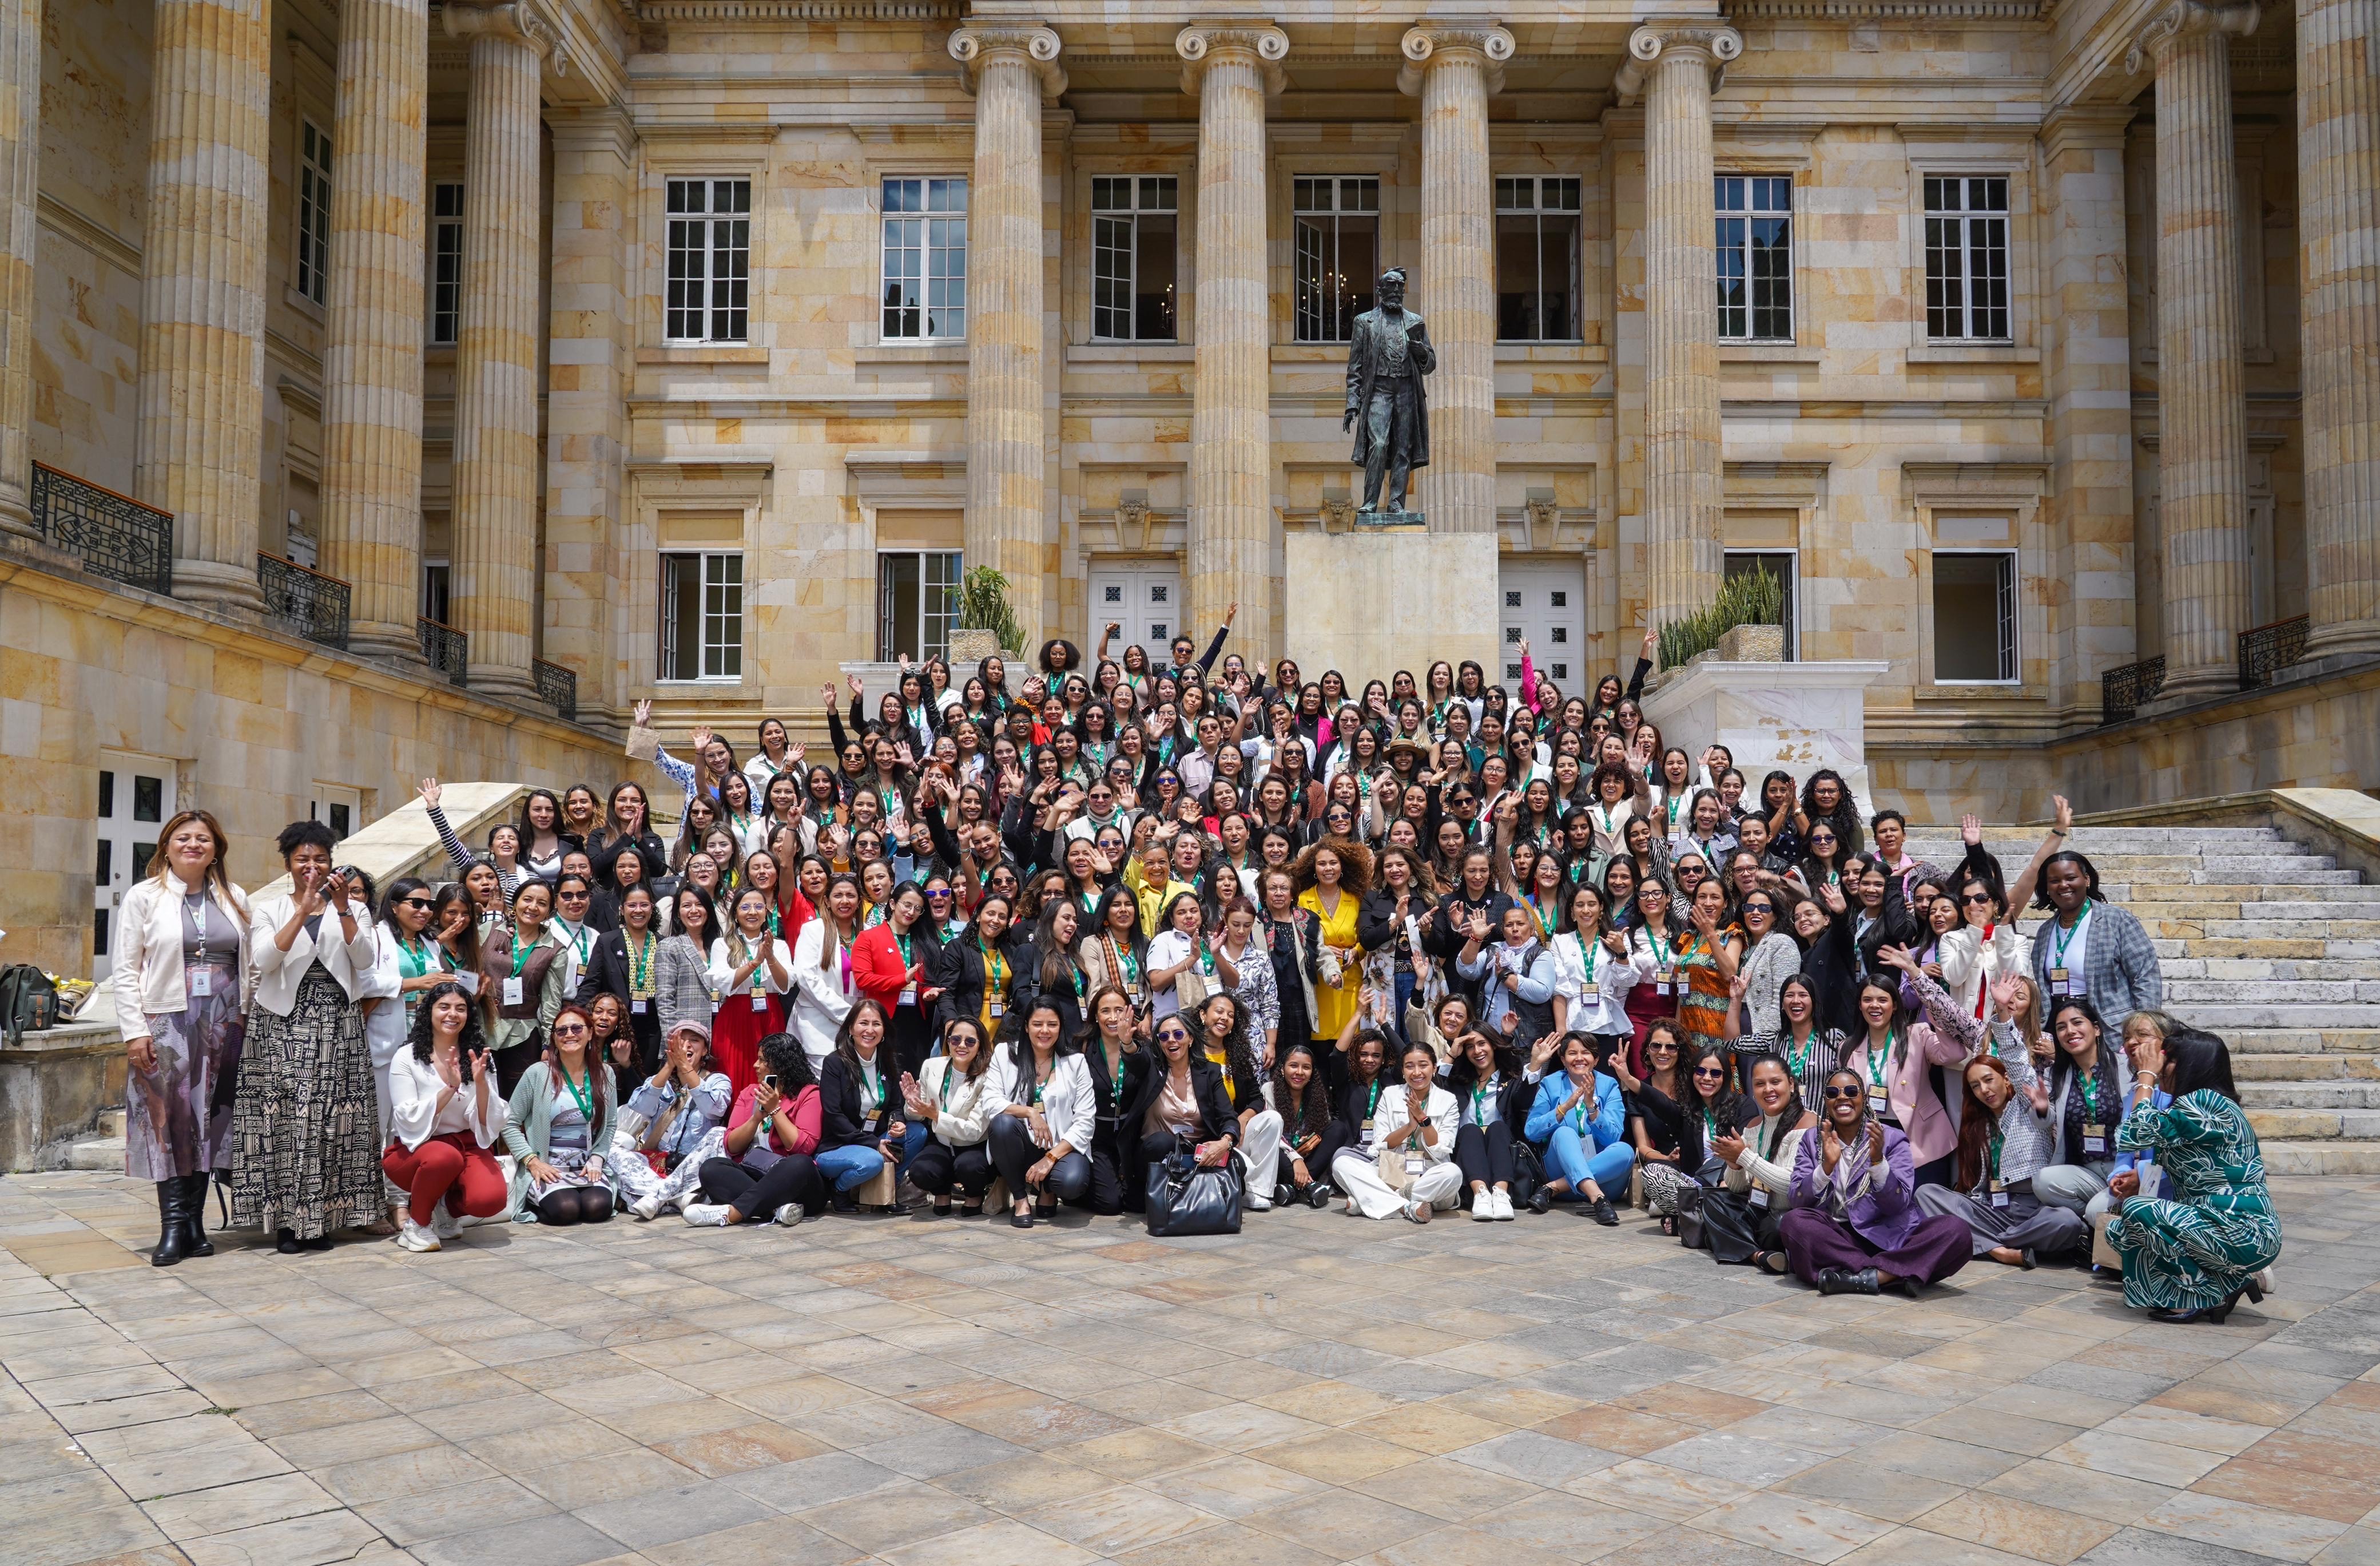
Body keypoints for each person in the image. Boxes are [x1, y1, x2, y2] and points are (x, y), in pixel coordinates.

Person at [232, 823, 384, 1254]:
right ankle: (285, 1222)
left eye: (320, 859)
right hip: (282, 1021)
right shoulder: (270, 909)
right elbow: (264, 959)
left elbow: (366, 959)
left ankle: (321, 1221)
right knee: (284, 1119)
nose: (312, 867)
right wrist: (303, 910)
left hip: (337, 1019)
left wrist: (341, 908)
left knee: (332, 1118)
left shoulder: (353, 908)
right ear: (288, 865)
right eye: (303, 860)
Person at [112, 809, 251, 1267]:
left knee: (210, 1121)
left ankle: (196, 1222)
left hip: (225, 1022)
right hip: (168, 1020)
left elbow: (247, 963)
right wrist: (135, 1031)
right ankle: (173, 1226)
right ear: (167, 846)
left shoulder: (235, 897)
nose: (194, 845)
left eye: (204, 839)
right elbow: (125, 968)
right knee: (168, 1120)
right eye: (184, 838)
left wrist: (246, 1016)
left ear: (217, 849)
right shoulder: (144, 896)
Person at [2105, 1026, 2282, 1323]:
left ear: (2193, 1065)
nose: (2162, 1067)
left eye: (2170, 1060)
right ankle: (2228, 1283)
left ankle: (2202, 1294)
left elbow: (2135, 1133)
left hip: (2242, 1229)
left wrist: (2145, 1076)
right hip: (2217, 1223)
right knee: (2120, 1231)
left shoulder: (2205, 1102)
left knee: (2137, 1211)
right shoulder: (2199, 1102)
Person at [1914, 974, 2088, 1267]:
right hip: (1990, 1206)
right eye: (1975, 1086)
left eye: (1989, 1081)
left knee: (2067, 1222)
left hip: (2031, 1207)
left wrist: (2002, 1012)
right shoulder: (1976, 1121)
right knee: (1926, 1194)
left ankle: (1982, 1243)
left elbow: (2019, 1063)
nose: (1985, 1090)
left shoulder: (2025, 1100)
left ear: (2006, 1079)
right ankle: (2001, 1250)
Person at [1779, 1067, 1973, 1297]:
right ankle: (1897, 1274)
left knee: (1956, 1231)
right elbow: (1797, 1200)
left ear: (1864, 1097)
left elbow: (1898, 1204)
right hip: (1839, 1239)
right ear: (1826, 1101)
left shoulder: (1890, 1138)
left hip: (1891, 1235)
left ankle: (1859, 1278)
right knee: (1794, 1222)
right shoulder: (1813, 1141)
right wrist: (1826, 1167)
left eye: (1851, 1091)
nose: (1842, 1097)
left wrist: (1878, 1162)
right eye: (1833, 1093)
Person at [380, 981, 508, 1251]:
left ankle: (444, 1207)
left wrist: (481, 1083)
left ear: (469, 1016)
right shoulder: (407, 1057)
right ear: (429, 1012)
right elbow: (407, 1118)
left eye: (461, 1009)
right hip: (414, 1151)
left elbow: (487, 1121)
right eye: (444, 1007)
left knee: (491, 1200)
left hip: (467, 1144)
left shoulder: (478, 1057)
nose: (452, 1014)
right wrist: (450, 1088)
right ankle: (417, 1224)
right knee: (443, 1157)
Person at [684, 1030, 825, 1226]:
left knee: (800, 1163)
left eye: (762, 1060)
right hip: (755, 1173)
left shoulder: (809, 1094)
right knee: (711, 1168)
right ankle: (777, 1209)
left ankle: (732, 1214)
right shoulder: (750, 1093)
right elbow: (732, 1146)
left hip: (796, 1183)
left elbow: (803, 1147)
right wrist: (757, 1117)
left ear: (781, 1064)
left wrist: (775, 1109)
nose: (755, 1065)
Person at [502, 1003, 615, 1226]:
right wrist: (532, 1161)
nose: (569, 1035)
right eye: (561, 1031)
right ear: (554, 1038)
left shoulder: (605, 1074)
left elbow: (610, 1124)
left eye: (577, 1029)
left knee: (598, 1209)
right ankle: (532, 1202)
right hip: (547, 1167)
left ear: (590, 1033)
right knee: (566, 1210)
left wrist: (598, 1158)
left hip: (587, 1167)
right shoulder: (537, 1073)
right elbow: (509, 1122)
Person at [988, 999, 1097, 1225]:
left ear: (1061, 1027)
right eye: (1038, 1024)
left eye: (1052, 1025)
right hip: (1023, 1143)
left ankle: (1048, 1189)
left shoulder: (1076, 1062)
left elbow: (1085, 1121)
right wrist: (1030, 1112)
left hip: (1061, 1148)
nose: (1045, 1031)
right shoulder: (1004, 1053)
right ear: (1026, 1026)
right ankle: (1020, 1200)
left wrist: (1050, 1158)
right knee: (1001, 1124)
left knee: (1072, 1182)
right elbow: (990, 1102)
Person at [2030, 850, 2164, 1030]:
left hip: (2112, 1027)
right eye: (2054, 881)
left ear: (2087, 880)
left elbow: (2145, 975)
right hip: (2062, 1028)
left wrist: (2146, 1027)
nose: (2063, 885)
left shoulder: (2116, 920)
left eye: (2071, 878)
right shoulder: (2045, 931)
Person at [616, 1020, 733, 1220]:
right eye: (680, 1041)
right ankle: (675, 1199)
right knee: (612, 1151)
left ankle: (657, 1198)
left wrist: (686, 1069)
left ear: (705, 1050)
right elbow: (639, 1106)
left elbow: (714, 1109)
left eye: (694, 1041)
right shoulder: (661, 1082)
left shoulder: (717, 1081)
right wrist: (669, 1067)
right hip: (657, 1164)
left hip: (693, 1166)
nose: (686, 1046)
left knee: (719, 1135)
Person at [1126, 1011, 1240, 1216]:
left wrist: (1224, 1143)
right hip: (1157, 1153)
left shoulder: (1210, 1072)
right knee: (1162, 1142)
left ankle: (1199, 1199)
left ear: (1190, 1038)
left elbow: (1228, 1117)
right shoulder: (1152, 1068)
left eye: (1178, 1034)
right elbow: (1136, 1059)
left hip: (1196, 1152)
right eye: (1164, 1036)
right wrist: (1127, 1043)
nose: (1171, 1040)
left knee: (1238, 1166)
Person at [1333, 1039, 1461, 1221]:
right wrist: (1410, 1127)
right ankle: (1407, 1207)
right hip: (1393, 1170)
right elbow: (1381, 1143)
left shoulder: (1448, 1100)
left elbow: (1441, 1147)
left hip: (1429, 1174)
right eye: (1410, 1066)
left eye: (1423, 1066)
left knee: (1453, 1174)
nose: (1417, 1073)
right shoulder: (1391, 1095)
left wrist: (1422, 1120)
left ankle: (1372, 1200)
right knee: (1341, 1164)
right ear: (1402, 1071)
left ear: (1434, 1068)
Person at [2029, 995, 2131, 1222]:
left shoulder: (2126, 1068)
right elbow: (2043, 1122)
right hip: (2088, 1170)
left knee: (2098, 1212)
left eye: (2077, 1023)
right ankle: (2096, 1216)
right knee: (2043, 1181)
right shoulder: (2056, 1075)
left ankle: (2098, 1215)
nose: (2070, 1031)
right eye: (2061, 1027)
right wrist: (2042, 1108)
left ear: (2096, 1029)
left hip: (2124, 1167)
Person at [1523, 1032, 1634, 1223]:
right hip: (1562, 1169)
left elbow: (1613, 1138)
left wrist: (1592, 1108)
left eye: (1586, 1053)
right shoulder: (1551, 1083)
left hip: (1606, 1180)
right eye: (1573, 1053)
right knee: (1564, 1133)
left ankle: (1553, 1187)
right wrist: (1563, 1109)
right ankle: (1597, 1199)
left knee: (1625, 1150)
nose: (1580, 1058)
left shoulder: (1609, 1085)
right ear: (1563, 1060)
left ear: (1596, 1059)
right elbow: (1531, 1132)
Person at [814, 998, 906, 1213]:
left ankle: (887, 1192)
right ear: (850, 1029)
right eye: (863, 1023)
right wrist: (874, 1143)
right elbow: (834, 1115)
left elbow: (895, 1106)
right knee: (872, 1161)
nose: (870, 1030)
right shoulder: (834, 1063)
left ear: (884, 1030)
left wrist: (898, 1123)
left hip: (876, 1137)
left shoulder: (889, 1060)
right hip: (839, 1145)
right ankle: (839, 1190)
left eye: (877, 1024)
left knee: (916, 1134)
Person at [903, 1018, 999, 1215]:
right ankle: (942, 1191)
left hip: (974, 1144)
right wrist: (913, 1105)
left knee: (969, 1168)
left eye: (970, 1041)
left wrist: (936, 1115)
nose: (962, 1045)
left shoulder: (988, 1076)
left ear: (980, 1045)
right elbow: (916, 1116)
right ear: (948, 1042)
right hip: (942, 1142)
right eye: (956, 1040)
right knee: (920, 1171)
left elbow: (974, 1131)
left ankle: (974, 1195)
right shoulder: (932, 1066)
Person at [709, 886, 794, 1103]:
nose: (752, 912)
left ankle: (768, 1124)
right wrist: (756, 961)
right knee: (734, 1071)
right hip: (736, 1017)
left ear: (766, 912)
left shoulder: (780, 946)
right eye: (745, 907)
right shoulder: (723, 944)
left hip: (770, 1012)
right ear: (736, 913)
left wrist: (771, 956)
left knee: (772, 1073)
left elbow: (785, 984)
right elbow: (723, 982)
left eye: (759, 907)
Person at [1444, 1030, 1528, 1220]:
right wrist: (1451, 1055)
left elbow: (1524, 1102)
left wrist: (1537, 1064)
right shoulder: (1458, 1082)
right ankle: (1480, 1194)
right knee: (1469, 1130)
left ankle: (1501, 1194)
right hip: (1467, 1151)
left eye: (1482, 1044)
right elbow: (1435, 1091)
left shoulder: (1511, 1079)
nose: (1477, 1051)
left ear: (1494, 1046)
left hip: (1502, 1152)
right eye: (1470, 1047)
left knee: (1498, 1127)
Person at [1265, 1042, 1342, 1209]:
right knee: (1270, 1145)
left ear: (1312, 1072)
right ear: (1282, 1069)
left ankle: (1293, 1188)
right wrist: (1295, 1158)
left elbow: (1322, 1128)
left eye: (1306, 1067)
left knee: (1338, 1128)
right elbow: (1271, 1134)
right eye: (1293, 1066)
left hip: (1307, 1157)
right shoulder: (1269, 1090)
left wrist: (1310, 1138)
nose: (1299, 1072)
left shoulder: (1317, 1093)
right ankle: (1310, 1187)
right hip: (1283, 1157)